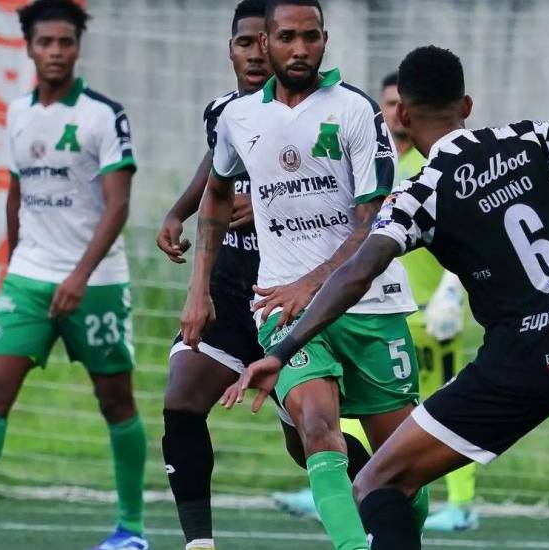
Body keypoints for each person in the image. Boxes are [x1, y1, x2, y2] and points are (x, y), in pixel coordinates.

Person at [227, 45, 549, 550]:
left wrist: (283, 350)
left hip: (518, 365)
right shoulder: (525, 139)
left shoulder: (421, 194)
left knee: (377, 483)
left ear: (402, 115)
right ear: (466, 105)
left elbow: (357, 273)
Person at [182, 1, 428, 548]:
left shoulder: (356, 110)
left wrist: (311, 283)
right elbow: (216, 193)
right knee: (317, 428)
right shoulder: (238, 118)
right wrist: (199, 286)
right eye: (287, 37)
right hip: (281, 307)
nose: (300, 49)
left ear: (324, 40)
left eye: (311, 37)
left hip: (370, 304)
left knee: (403, 468)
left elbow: (374, 219)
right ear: (265, 41)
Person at [155, 2, 370, 548]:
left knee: (309, 440)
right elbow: (216, 172)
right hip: (232, 289)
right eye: (243, 43)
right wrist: (179, 218)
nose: (255, 54)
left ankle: (386, 493)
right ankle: (199, 543)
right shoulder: (226, 113)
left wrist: (269, 203)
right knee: (181, 400)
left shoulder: (327, 112)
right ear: (231, 50)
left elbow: (350, 196)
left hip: (292, 291)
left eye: (261, 41)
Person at [0, 2, 148, 549]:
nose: (55, 52)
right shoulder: (17, 113)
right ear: (29, 48)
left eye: (64, 42)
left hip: (97, 283)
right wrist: (16, 264)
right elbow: (16, 194)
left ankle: (131, 528)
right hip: (29, 279)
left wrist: (79, 276)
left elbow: (118, 205)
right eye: (45, 43)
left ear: (77, 47)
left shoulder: (104, 115)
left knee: (116, 401)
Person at [273, 72, 479, 532]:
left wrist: (452, 289)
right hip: (374, 306)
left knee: (443, 407)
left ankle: (461, 502)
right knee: (350, 406)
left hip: (434, 311)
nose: (393, 112)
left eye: (398, 102)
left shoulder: (433, 161)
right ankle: (351, 489)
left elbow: (464, 228)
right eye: (386, 102)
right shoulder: (369, 161)